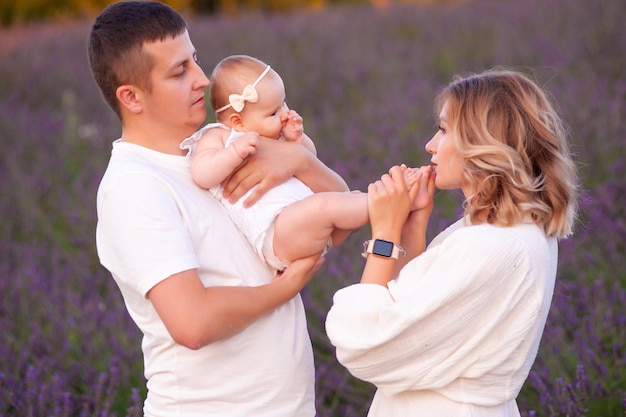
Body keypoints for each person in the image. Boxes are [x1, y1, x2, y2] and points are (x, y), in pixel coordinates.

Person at [88, 2, 349, 416]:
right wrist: (284, 289)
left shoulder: (227, 147)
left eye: (195, 61)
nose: (201, 80)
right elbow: (192, 323)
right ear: (131, 97)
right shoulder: (135, 187)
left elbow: (333, 226)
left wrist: (301, 161)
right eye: (179, 72)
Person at [325, 69, 579, 416]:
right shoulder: (495, 231)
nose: (430, 144)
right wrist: (413, 227)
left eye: (444, 130)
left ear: (482, 141)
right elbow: (410, 303)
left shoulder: (494, 246)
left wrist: (384, 236)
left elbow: (364, 343)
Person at [181, 55, 399, 270]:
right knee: (326, 206)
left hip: (306, 225)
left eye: (284, 103)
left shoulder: (275, 136)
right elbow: (202, 173)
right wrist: (233, 153)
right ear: (238, 122)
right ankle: (387, 200)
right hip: (276, 232)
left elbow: (309, 160)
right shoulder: (218, 137)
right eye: (274, 112)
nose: (285, 114)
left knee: (345, 199)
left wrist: (298, 140)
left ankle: (382, 201)